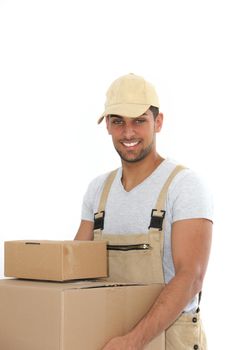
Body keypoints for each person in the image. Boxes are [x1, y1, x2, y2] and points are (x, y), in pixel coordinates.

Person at [75, 73, 213, 350]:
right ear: (108, 127)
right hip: (110, 338)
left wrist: (133, 341)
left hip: (169, 339)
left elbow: (191, 277)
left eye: (139, 121)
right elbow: (77, 267)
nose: (128, 133)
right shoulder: (98, 190)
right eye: (118, 122)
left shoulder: (184, 186)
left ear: (158, 122)